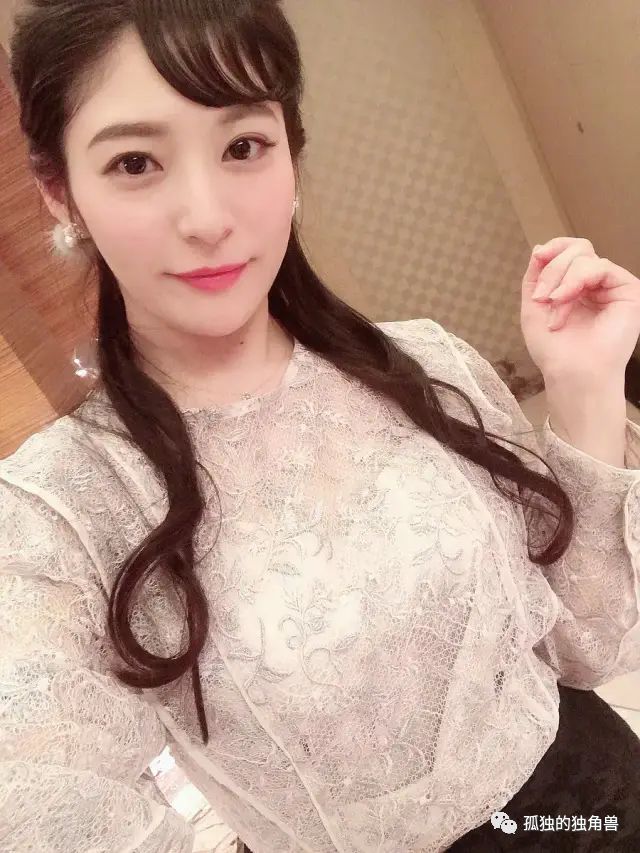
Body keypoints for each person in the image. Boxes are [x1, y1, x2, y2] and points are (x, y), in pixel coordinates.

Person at [2, 1, 639, 851]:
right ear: (60, 193)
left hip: (600, 799)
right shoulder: (59, 508)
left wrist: (586, 386)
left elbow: (590, 644)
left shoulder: (429, 364)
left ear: (291, 152)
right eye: (135, 162)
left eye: (242, 146)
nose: (207, 216)